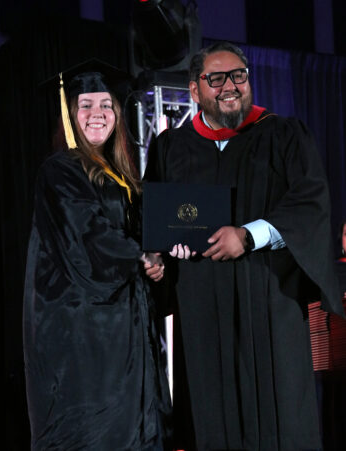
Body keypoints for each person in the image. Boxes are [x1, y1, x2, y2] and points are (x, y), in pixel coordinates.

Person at [144, 41, 344, 451]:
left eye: (238, 75)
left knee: (279, 415)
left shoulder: (283, 134)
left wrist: (249, 235)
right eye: (215, 78)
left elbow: (310, 203)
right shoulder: (171, 148)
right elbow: (157, 220)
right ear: (195, 90)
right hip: (201, 304)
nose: (229, 85)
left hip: (269, 299)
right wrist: (163, 255)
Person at [23, 59, 172, 450]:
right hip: (85, 334)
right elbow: (86, 234)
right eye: (85, 105)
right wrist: (139, 257)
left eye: (106, 104)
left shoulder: (121, 175)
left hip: (125, 330)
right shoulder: (60, 171)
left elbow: (144, 238)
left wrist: (159, 260)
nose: (97, 114)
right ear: (69, 114)